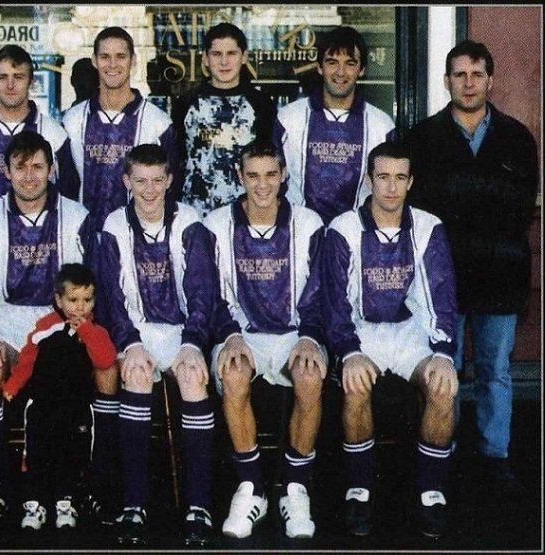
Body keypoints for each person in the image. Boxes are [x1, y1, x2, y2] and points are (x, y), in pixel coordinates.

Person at [405, 40, 539, 497]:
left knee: (495, 370)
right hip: (443, 279)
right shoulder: (423, 138)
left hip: (500, 274)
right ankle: (444, 451)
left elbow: (519, 206)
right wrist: (479, 199)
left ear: (490, 81)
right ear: (447, 80)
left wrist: (461, 203)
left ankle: (494, 457)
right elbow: (420, 211)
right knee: (445, 368)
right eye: (459, 75)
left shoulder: (516, 138)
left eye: (476, 74)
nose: (468, 83)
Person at [321, 141, 459, 539]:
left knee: (443, 387)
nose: (392, 187)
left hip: (409, 333)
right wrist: (348, 351)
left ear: (411, 181)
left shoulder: (428, 226)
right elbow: (334, 303)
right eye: (383, 177)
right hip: (362, 333)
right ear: (369, 180)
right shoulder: (344, 228)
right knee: (356, 385)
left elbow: (441, 296)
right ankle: (359, 490)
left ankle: (431, 492)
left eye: (400, 178)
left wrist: (443, 352)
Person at [199, 142, 327, 539]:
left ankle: (294, 488)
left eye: (271, 174)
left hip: (295, 334)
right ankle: (251, 487)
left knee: (309, 375)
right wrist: (229, 335)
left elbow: (321, 292)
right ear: (239, 177)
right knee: (233, 373)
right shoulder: (216, 224)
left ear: (284, 175)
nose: (262, 185)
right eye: (253, 175)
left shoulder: (308, 222)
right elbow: (209, 293)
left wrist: (310, 337)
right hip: (242, 334)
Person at [94, 144, 217, 545]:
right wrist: (129, 343)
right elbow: (110, 297)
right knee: (136, 376)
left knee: (194, 379)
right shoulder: (114, 224)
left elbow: (203, 291)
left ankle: (199, 505)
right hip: (136, 330)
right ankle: (134, 504)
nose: (149, 190)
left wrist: (193, 343)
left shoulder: (189, 221)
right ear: (126, 181)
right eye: (140, 181)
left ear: (169, 181)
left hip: (182, 331)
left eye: (157, 181)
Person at [0, 131, 92, 530]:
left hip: (58, 322)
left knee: (60, 373)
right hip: (6, 320)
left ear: (51, 170)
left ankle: (62, 490)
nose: (29, 176)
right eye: (20, 168)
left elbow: (89, 288)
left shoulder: (76, 216)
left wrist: (76, 325)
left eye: (38, 167)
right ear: (6, 172)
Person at [2, 263, 117, 531]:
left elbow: (105, 359)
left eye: (87, 300)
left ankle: (66, 502)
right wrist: (13, 385)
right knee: (37, 452)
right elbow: (27, 360)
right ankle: (35, 503)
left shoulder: (95, 331)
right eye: (73, 300)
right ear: (58, 300)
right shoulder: (45, 327)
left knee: (73, 452)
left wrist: (85, 331)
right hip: (42, 405)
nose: (80, 307)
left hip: (76, 406)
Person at [62, 26, 180, 235]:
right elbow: (64, 189)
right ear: (94, 60)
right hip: (84, 240)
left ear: (133, 61)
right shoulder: (72, 120)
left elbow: (170, 190)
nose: (112, 64)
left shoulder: (158, 123)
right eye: (105, 57)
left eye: (121, 56)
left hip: (139, 241)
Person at [273, 26, 396, 224]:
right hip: (300, 233)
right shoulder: (289, 119)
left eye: (350, 63)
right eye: (332, 62)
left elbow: (390, 192)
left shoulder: (381, 126)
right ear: (319, 67)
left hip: (357, 235)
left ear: (361, 70)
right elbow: (272, 184)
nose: (340, 72)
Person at [0, 44, 79, 208]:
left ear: (31, 82)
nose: (10, 85)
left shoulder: (54, 134)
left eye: (18, 77)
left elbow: (68, 197)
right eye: (2, 77)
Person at [173, 23, 277, 215]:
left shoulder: (261, 104)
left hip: (246, 213)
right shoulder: (187, 102)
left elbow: (271, 162)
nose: (224, 62)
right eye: (216, 54)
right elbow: (177, 159)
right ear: (205, 58)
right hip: (195, 212)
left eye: (231, 53)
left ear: (244, 57)